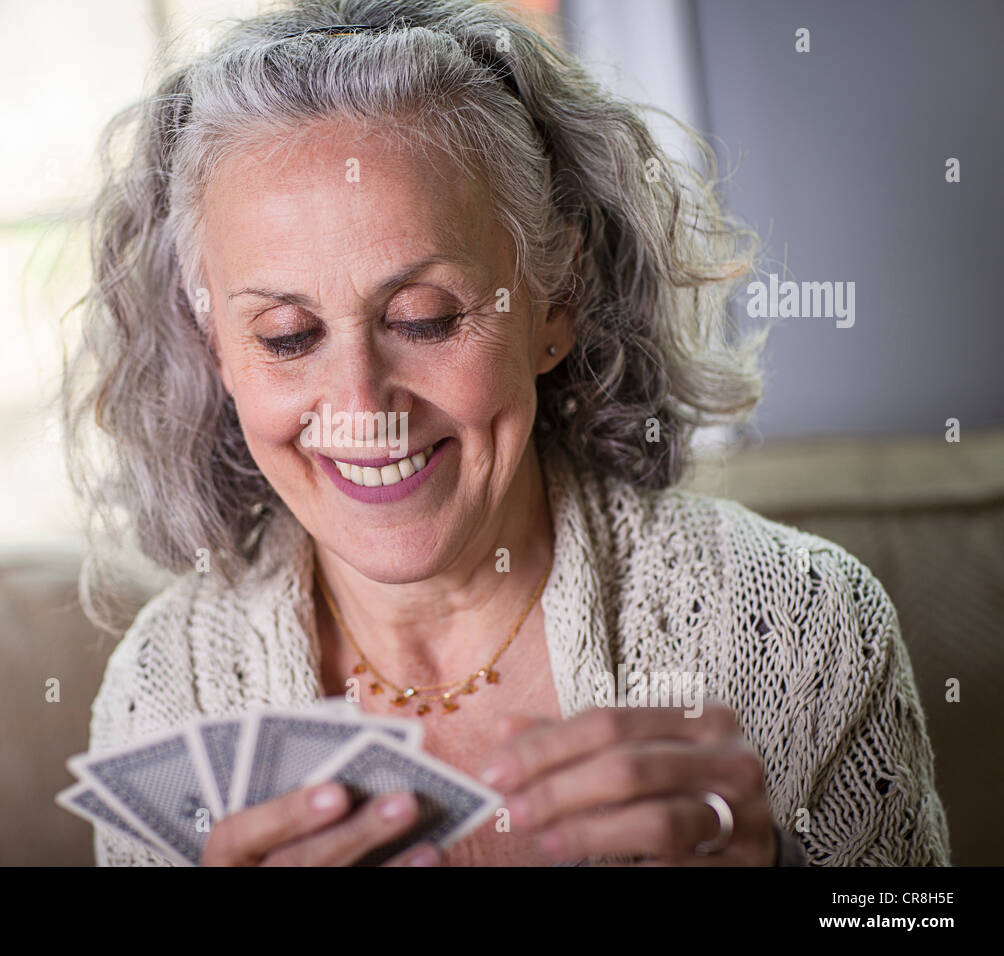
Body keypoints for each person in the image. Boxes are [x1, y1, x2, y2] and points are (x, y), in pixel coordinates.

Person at [62, 0, 949, 866]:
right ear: (214, 346)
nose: (361, 402)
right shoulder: (169, 690)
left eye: (424, 318)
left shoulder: (800, 624)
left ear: (553, 304)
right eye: (287, 337)